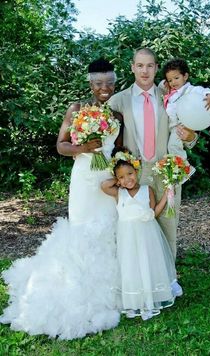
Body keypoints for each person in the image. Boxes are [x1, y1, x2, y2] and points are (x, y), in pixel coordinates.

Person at [0, 58, 121, 340]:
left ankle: (115, 289)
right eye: (99, 83)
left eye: (110, 83)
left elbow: (118, 145)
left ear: (115, 84)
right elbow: (61, 146)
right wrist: (83, 147)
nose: (105, 88)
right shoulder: (77, 109)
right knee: (82, 230)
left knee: (109, 228)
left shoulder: (117, 113)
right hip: (84, 179)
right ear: (90, 84)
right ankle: (74, 289)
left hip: (107, 177)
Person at [109, 48, 199, 258]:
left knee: (168, 225)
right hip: (135, 174)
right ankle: (141, 278)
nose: (145, 71)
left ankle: (168, 280)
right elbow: (104, 134)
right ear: (132, 68)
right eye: (140, 65)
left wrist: (190, 138)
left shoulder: (171, 97)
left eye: (150, 65)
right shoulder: (119, 100)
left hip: (166, 171)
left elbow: (191, 132)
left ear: (156, 68)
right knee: (137, 229)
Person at [101, 147, 182, 321]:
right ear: (117, 180)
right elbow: (104, 186)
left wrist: (167, 196)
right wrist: (118, 181)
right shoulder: (119, 193)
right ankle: (134, 298)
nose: (127, 179)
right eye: (121, 177)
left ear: (136, 171)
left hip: (147, 234)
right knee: (131, 266)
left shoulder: (147, 190)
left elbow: (154, 212)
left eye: (130, 174)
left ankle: (152, 295)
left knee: (148, 263)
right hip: (128, 238)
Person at [160, 58, 210, 180]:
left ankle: (185, 169)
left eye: (176, 78)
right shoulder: (171, 93)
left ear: (185, 76)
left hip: (181, 125)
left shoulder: (190, 90)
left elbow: (204, 90)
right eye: (169, 80)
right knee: (172, 147)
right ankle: (179, 169)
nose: (173, 82)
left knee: (173, 146)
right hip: (171, 126)